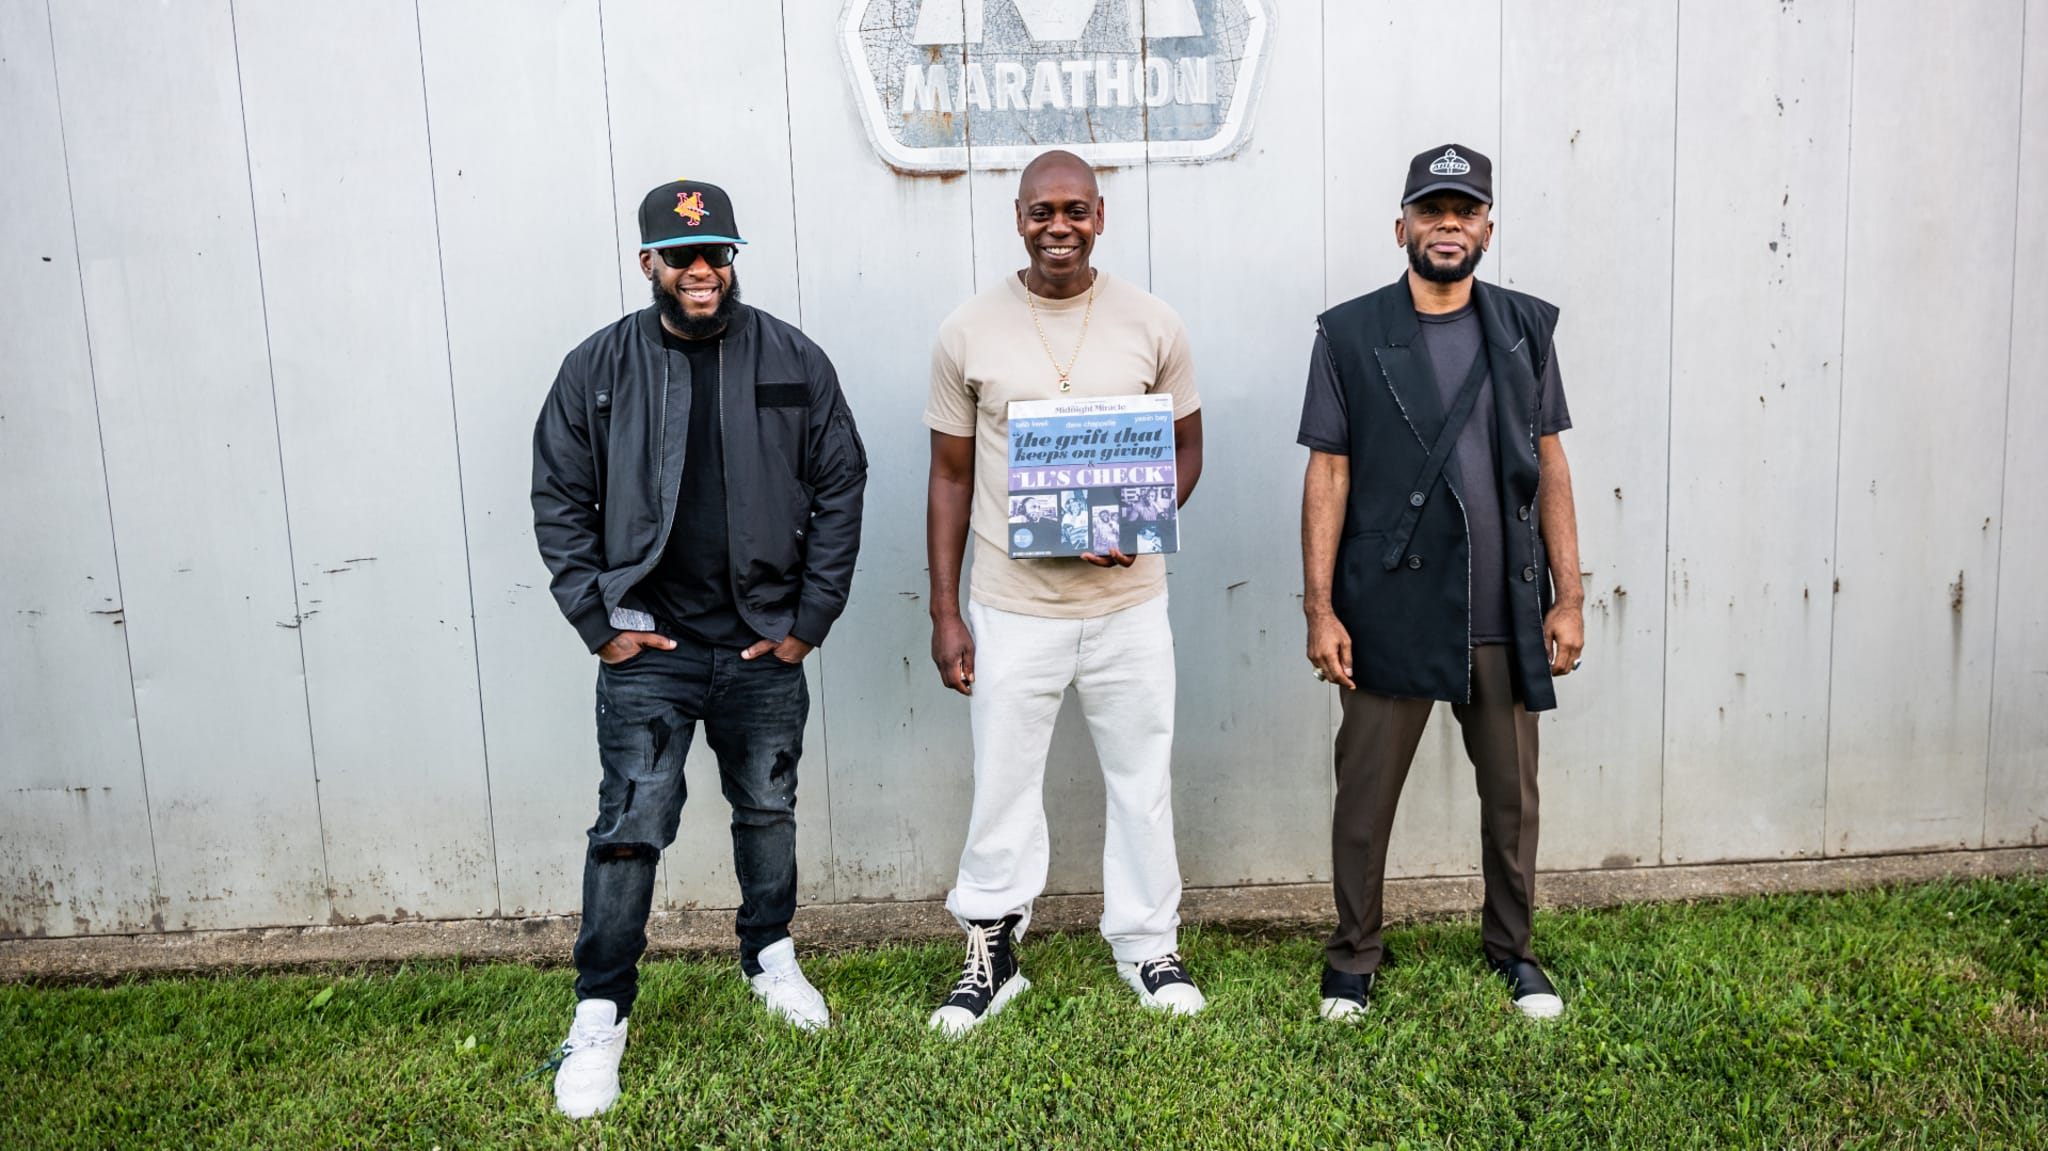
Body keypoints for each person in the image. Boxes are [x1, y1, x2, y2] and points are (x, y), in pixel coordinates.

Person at [531, 178, 867, 1117]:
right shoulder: (597, 367)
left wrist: (809, 620)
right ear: (649, 262)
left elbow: (842, 481)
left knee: (767, 807)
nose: (702, 270)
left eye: (716, 252)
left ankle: (769, 954)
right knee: (630, 824)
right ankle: (601, 1008)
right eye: (681, 256)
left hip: (762, 644)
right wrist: (599, 624)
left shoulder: (792, 358)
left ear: (732, 258)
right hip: (650, 647)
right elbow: (559, 496)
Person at [1297, 145, 1583, 1022]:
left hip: (1503, 603)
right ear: (1402, 227)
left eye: (1465, 211)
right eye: (1432, 210)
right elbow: (1328, 472)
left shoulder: (1526, 327)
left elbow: (1550, 462)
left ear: (1488, 228)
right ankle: (1353, 957)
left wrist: (1570, 595)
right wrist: (1321, 607)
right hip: (1390, 605)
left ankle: (1514, 950)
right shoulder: (1349, 333)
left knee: (1513, 800)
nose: (1448, 224)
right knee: (1364, 800)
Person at [924, 149, 1206, 1034]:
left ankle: (1148, 943)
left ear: (1099, 216)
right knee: (1003, 784)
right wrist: (945, 610)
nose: (1059, 226)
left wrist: (1143, 517)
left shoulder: (1152, 322)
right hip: (1013, 608)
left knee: (1142, 779)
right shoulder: (968, 329)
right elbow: (949, 476)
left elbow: (1188, 447)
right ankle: (992, 948)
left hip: (1129, 606)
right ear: (1018, 218)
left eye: (1075, 210)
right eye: (1041, 211)